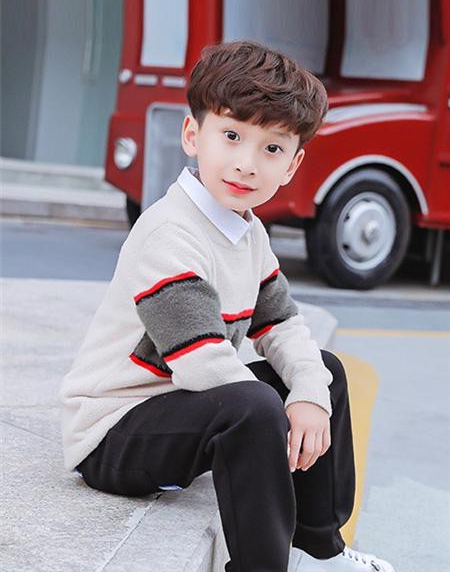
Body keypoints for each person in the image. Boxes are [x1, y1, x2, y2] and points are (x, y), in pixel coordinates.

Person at [58, 40, 395, 572]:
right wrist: (280, 412)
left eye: (272, 148)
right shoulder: (169, 233)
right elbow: (203, 363)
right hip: (113, 435)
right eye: (232, 136)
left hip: (181, 410)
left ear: (293, 164)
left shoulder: (247, 231)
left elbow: (282, 326)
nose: (246, 164)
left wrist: (309, 396)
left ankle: (321, 550)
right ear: (193, 135)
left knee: (324, 373)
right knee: (254, 405)